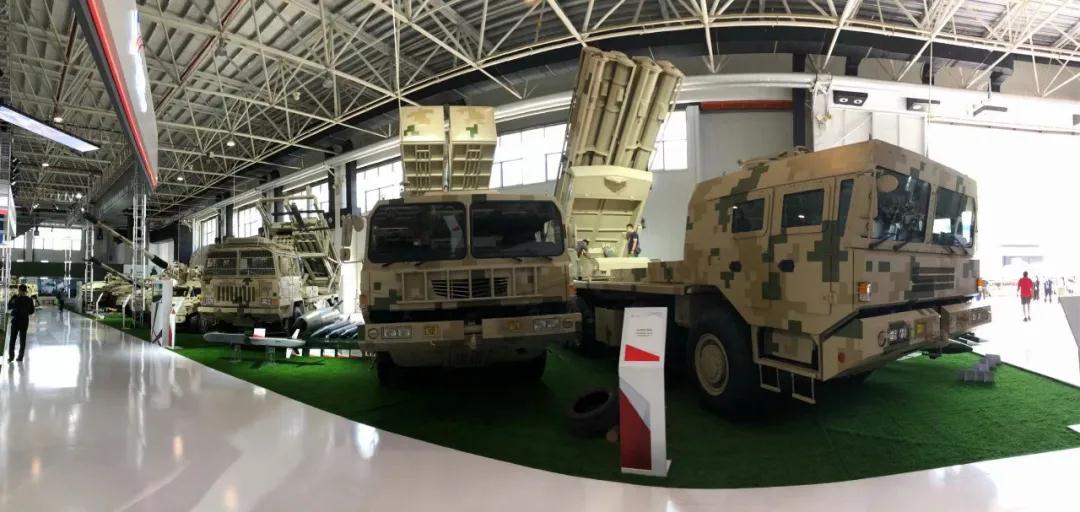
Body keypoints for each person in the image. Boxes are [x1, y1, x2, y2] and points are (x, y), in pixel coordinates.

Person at [7, 284, 35, 362]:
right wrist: (25, 312)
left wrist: (12, 299)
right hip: (24, 322)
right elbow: (31, 311)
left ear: (20, 290)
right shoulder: (29, 300)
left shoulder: (16, 298)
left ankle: (11, 357)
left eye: (19, 290)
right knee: (22, 340)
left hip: (16, 321)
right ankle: (20, 357)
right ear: (25, 291)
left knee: (12, 339)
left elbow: (9, 306)